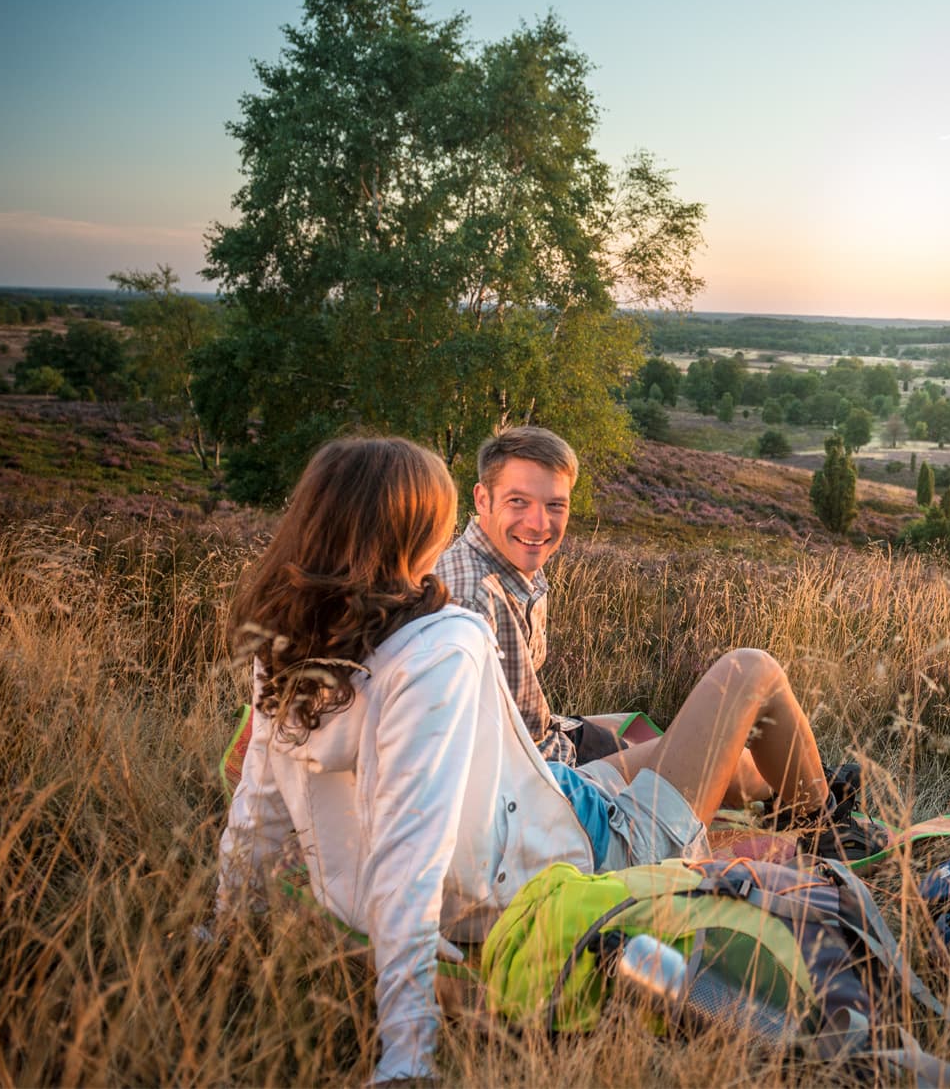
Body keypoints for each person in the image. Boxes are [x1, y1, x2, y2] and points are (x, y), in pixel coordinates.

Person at [216, 436, 829, 1082]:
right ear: (420, 528)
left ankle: (787, 796)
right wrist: (408, 1051)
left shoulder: (290, 645)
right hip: (585, 849)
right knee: (750, 670)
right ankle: (826, 823)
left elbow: (256, 801)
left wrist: (224, 930)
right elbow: (411, 851)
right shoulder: (441, 646)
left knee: (717, 763)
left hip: (543, 800)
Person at [435, 425, 777, 805]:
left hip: (546, 743)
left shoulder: (506, 561)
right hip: (545, 782)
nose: (538, 523)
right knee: (719, 761)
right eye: (518, 501)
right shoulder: (476, 598)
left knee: (648, 732)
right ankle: (811, 807)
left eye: (554, 506)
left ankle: (809, 786)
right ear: (482, 499)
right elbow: (507, 754)